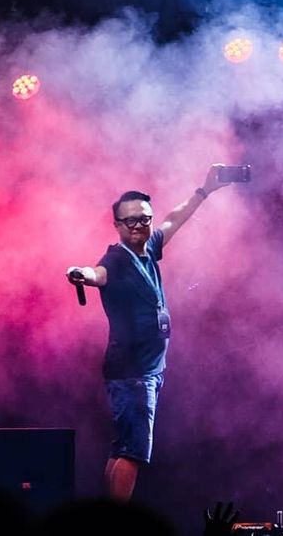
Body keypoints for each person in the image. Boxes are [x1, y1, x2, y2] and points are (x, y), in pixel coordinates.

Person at [65, 165, 234, 502]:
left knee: (123, 448)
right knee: (133, 454)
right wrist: (80, 273)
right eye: (131, 221)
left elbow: (174, 220)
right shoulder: (116, 260)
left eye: (144, 219)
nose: (139, 225)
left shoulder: (148, 249)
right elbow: (97, 273)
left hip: (145, 371)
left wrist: (204, 190)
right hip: (133, 373)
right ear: (117, 225)